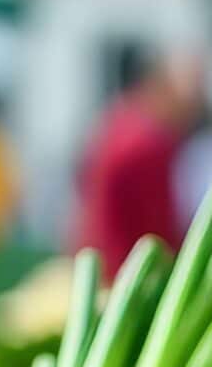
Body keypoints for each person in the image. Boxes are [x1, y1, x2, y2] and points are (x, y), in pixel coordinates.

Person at [73, 49, 204, 269]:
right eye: (194, 89)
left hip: (101, 264)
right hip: (126, 275)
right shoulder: (149, 145)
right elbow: (158, 235)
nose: (199, 102)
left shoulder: (119, 120)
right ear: (163, 87)